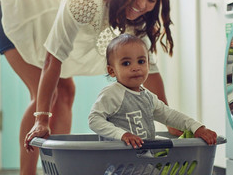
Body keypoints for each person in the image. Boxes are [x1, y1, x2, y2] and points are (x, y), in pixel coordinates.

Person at [0, 0, 180, 175]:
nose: (142, 4)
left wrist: (173, 124)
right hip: (11, 9)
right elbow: (52, 59)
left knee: (66, 92)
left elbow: (151, 72)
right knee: (46, 98)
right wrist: (41, 120)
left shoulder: (138, 17)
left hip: (46, 20)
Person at [88, 34, 217, 148]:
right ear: (112, 71)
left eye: (141, 61)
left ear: (148, 65)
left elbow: (169, 115)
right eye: (126, 63)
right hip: (119, 162)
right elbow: (94, 119)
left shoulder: (148, 97)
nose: (136, 68)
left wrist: (196, 127)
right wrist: (122, 135)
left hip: (144, 159)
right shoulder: (112, 93)